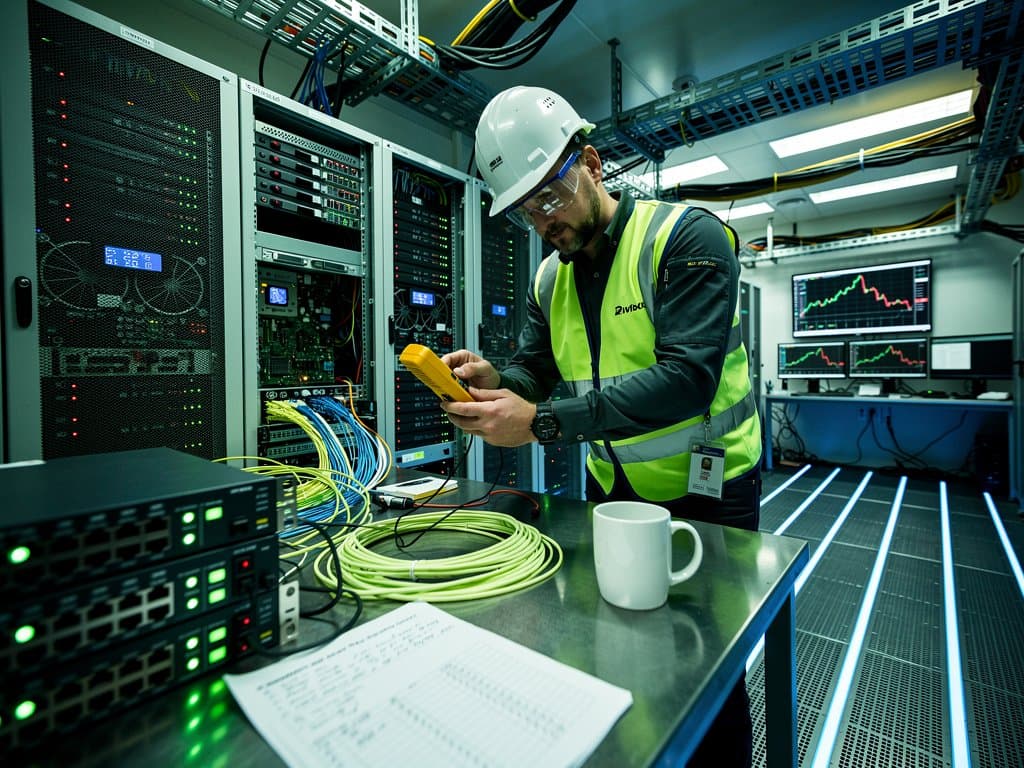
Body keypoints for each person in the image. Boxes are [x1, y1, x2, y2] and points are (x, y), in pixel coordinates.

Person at [440, 85, 762, 767]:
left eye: (549, 198)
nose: (542, 222)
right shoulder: (547, 281)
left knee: (710, 659)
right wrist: (499, 385)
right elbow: (537, 372)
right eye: (527, 212)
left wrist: (542, 425)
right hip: (615, 486)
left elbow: (687, 379)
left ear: (589, 162)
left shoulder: (686, 237)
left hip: (710, 488)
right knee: (618, 640)